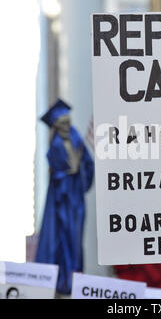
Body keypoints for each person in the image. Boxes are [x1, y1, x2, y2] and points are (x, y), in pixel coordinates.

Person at [35, 99, 94, 294]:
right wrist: (68, 170)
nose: (66, 126)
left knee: (75, 239)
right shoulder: (55, 145)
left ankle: (75, 279)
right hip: (61, 199)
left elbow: (87, 161)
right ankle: (61, 282)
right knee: (59, 238)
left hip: (75, 198)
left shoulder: (75, 136)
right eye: (62, 123)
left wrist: (82, 174)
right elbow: (57, 172)